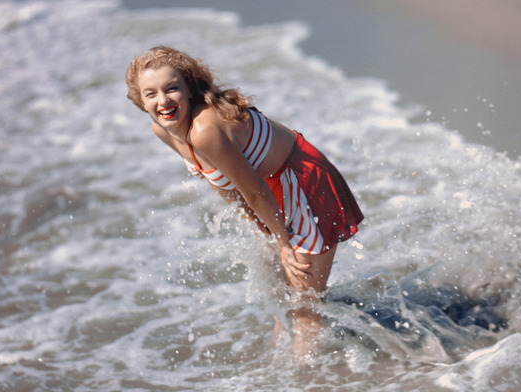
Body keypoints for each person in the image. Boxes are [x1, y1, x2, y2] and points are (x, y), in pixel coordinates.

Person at [125, 46, 363, 356]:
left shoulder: (205, 129)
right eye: (151, 94)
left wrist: (282, 243)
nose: (163, 101)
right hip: (271, 189)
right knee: (283, 297)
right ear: (139, 101)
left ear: (189, 89)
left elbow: (254, 193)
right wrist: (263, 228)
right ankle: (275, 379)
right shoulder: (163, 129)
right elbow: (224, 186)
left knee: (305, 308)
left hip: (303, 181)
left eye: (172, 89)